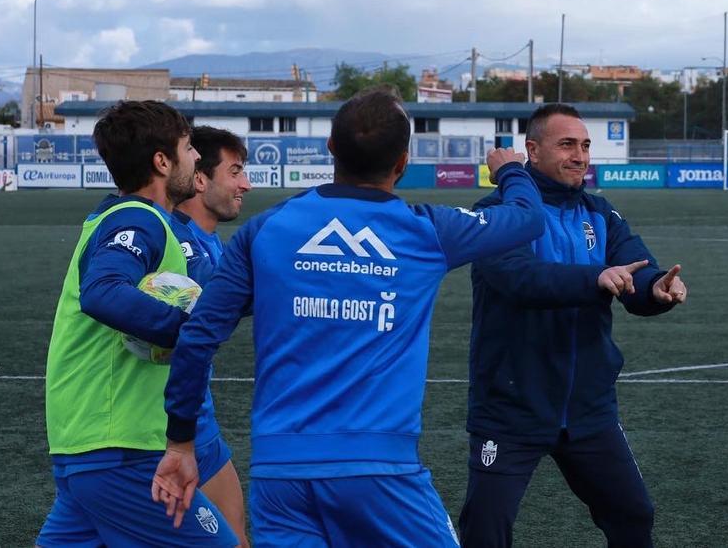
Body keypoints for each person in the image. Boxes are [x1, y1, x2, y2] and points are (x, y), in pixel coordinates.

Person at [152, 85, 546, 546]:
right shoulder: (428, 230)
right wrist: (514, 172)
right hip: (381, 472)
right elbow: (528, 217)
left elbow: (198, 337)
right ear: (402, 163)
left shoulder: (266, 229)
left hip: (281, 475)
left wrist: (180, 442)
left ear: (330, 149)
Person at [458, 103, 688, 548]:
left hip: (588, 407)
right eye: (567, 145)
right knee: (486, 531)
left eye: (585, 146)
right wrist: (595, 278)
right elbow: (520, 279)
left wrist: (656, 288)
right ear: (532, 151)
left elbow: (636, 270)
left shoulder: (601, 213)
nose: (580, 156)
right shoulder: (497, 210)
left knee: (633, 515)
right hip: (511, 405)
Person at [38, 100, 239, 547]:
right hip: (121, 448)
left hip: (85, 443)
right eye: (188, 149)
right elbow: (103, 291)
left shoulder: (125, 218)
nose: (194, 159)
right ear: (162, 161)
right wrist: (187, 332)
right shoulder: (137, 217)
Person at [173, 125, 254, 547]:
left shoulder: (212, 243)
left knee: (236, 539)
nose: (247, 183)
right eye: (236, 172)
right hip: (164, 430)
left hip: (200, 422)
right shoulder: (176, 244)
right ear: (200, 179)